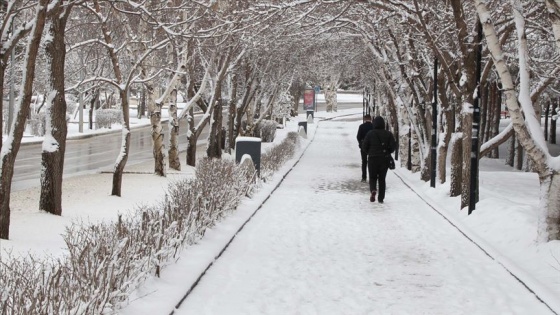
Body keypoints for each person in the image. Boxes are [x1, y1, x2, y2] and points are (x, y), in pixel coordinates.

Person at [362, 116, 396, 203]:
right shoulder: (388, 134)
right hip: (384, 159)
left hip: (372, 159)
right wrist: (387, 151)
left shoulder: (370, 133)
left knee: (372, 177)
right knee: (382, 178)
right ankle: (381, 198)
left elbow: (364, 146)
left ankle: (373, 189)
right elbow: (393, 147)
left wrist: (369, 152)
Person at [356, 114, 373, 182]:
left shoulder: (361, 126)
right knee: (372, 162)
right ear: (371, 119)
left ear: (365, 119)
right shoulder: (373, 126)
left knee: (364, 162)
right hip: (372, 146)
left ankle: (364, 177)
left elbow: (358, 136)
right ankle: (372, 177)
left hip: (364, 146)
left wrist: (360, 143)